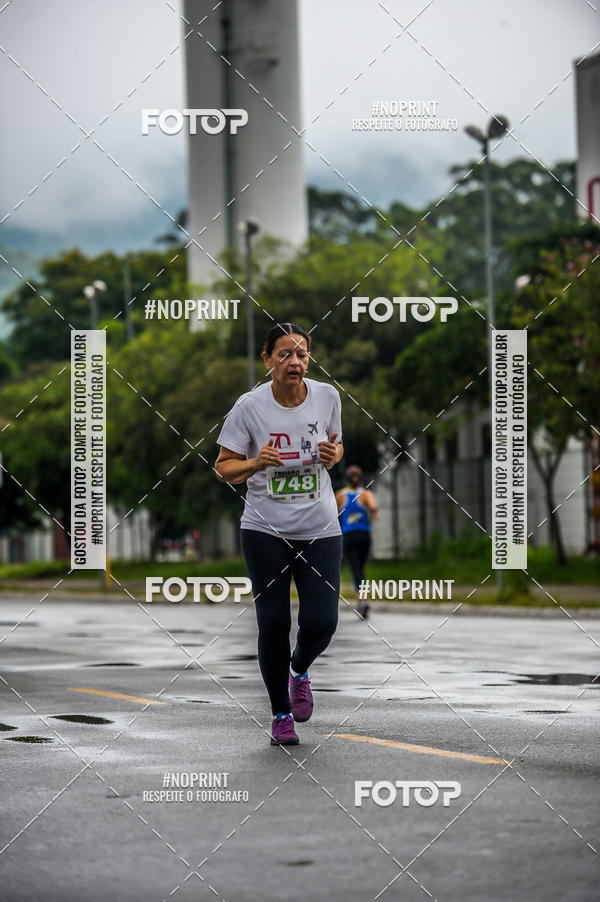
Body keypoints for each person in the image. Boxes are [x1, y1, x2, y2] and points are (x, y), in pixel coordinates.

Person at [215, 322, 344, 746]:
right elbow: (223, 467)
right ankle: (280, 715)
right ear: (268, 360)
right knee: (273, 623)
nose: (295, 362)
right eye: (285, 354)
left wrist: (334, 453)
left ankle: (300, 669)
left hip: (321, 527)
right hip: (265, 530)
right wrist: (254, 463)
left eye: (302, 354)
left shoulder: (327, 397)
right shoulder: (249, 407)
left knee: (322, 622)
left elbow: (337, 444)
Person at [336, 466, 379, 619]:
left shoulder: (340, 495)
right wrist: (373, 514)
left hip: (348, 536)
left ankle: (362, 601)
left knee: (355, 569)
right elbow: (373, 507)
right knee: (360, 568)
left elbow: (333, 513)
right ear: (360, 479)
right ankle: (362, 600)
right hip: (364, 535)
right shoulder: (366, 494)